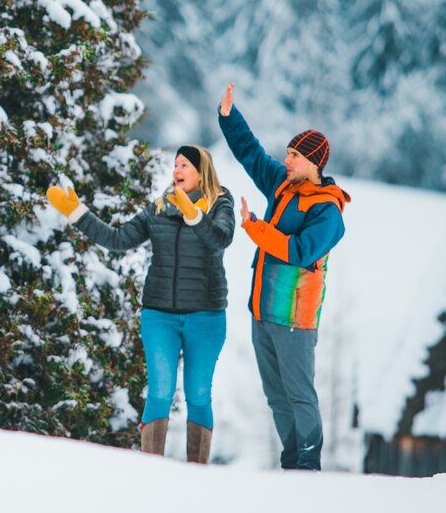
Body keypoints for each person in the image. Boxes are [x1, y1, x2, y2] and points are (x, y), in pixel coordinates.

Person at [46, 145, 235, 463]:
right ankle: (151, 472)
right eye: (175, 164)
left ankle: (199, 475)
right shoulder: (159, 208)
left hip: (206, 317)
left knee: (198, 396)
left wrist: (195, 216)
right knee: (160, 392)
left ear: (202, 171)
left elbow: (221, 238)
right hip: (159, 315)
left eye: (185, 165)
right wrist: (78, 213)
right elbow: (118, 239)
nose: (177, 170)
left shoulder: (220, 204)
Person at [218, 83, 351, 470]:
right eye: (288, 154)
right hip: (262, 311)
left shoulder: (328, 211)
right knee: (276, 397)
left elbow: (300, 251)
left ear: (313, 162)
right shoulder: (283, 185)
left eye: (294, 155)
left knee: (299, 395)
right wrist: (229, 116)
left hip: (295, 318)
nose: (287, 160)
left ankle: (308, 464)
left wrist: (256, 229)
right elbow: (251, 154)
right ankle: (290, 462)